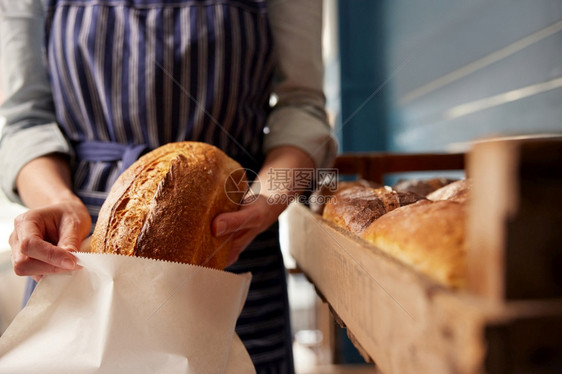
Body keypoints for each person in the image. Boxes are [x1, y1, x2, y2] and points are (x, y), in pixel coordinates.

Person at [0, 0, 337, 372]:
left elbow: (301, 108)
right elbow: (23, 119)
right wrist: (56, 201)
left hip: (230, 242)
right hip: (80, 253)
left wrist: (268, 198)